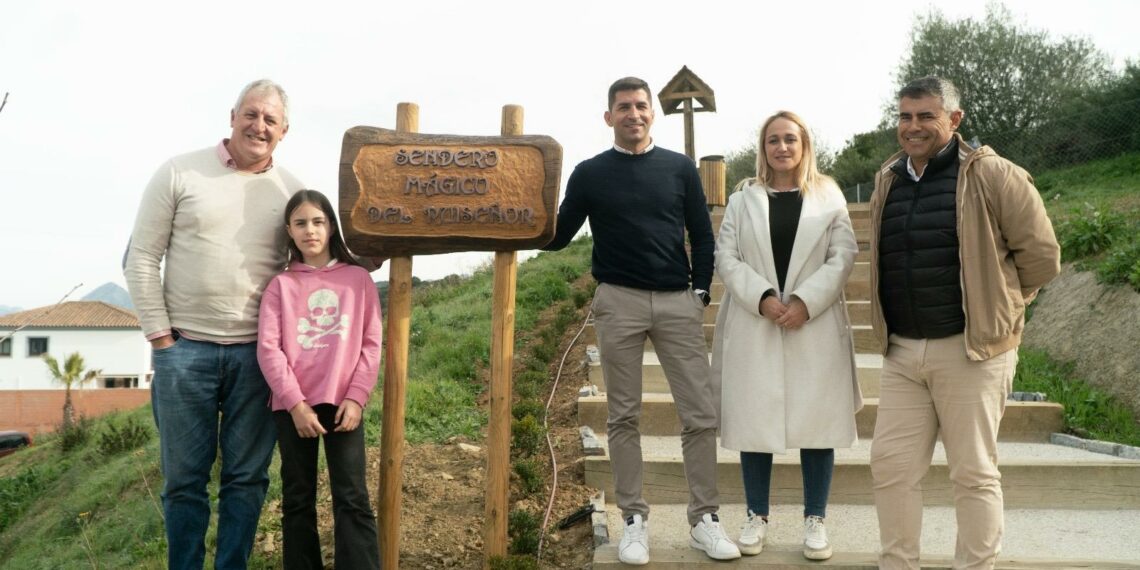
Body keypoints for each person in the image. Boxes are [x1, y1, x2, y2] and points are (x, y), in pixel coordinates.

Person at [544, 76, 740, 564]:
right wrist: (510, 224)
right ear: (608, 117)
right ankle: (634, 519)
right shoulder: (589, 174)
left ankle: (704, 520)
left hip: (677, 302)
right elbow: (558, 235)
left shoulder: (679, 169)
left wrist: (699, 291)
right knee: (623, 415)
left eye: (640, 106)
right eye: (623, 107)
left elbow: (702, 232)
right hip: (619, 301)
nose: (633, 113)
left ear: (652, 113)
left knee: (699, 413)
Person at [868, 76, 1061, 569]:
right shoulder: (887, 177)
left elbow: (1041, 259)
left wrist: (1003, 310)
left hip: (971, 353)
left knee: (973, 474)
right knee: (891, 470)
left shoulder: (995, 175)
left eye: (926, 115)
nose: (913, 127)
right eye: (905, 116)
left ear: (954, 120)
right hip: (904, 354)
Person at [123, 79, 304, 569]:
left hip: (258, 358)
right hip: (185, 353)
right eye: (251, 114)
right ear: (232, 116)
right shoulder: (180, 172)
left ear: (284, 131)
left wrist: (362, 260)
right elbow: (140, 258)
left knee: (247, 480)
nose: (258, 126)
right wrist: (162, 339)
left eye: (270, 119)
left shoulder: (292, 193)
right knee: (184, 483)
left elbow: (308, 267)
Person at [711, 110, 861, 560]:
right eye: (773, 140)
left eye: (790, 139)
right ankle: (757, 515)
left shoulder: (829, 196)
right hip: (755, 320)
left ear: (804, 145)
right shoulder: (742, 199)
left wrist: (804, 301)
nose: (782, 147)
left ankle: (816, 519)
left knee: (818, 424)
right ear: (763, 148)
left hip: (812, 324)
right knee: (755, 422)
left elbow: (843, 255)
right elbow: (727, 256)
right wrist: (760, 297)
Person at [257, 189, 382, 570]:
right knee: (297, 499)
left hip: (343, 403)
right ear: (289, 231)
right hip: (294, 408)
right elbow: (268, 349)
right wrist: (295, 404)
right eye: (300, 223)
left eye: (317, 221)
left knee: (352, 497)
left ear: (330, 227)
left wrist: (357, 397)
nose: (309, 230)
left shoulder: (358, 280)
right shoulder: (280, 286)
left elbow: (372, 343)